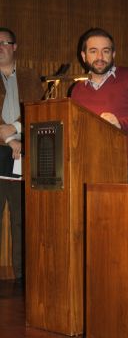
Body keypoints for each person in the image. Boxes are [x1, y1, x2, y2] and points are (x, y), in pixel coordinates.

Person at [71, 27, 128, 183]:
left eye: (106, 51)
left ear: (113, 54)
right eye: (93, 51)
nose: (100, 57)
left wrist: (119, 124)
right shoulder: (77, 89)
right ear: (83, 56)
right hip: (91, 167)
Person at [0, 27, 43, 282]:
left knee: (22, 222)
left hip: (23, 157)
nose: (0, 47)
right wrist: (7, 139)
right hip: (4, 149)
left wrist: (17, 132)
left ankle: (23, 279)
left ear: (14, 47)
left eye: (5, 42)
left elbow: (40, 113)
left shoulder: (30, 77)